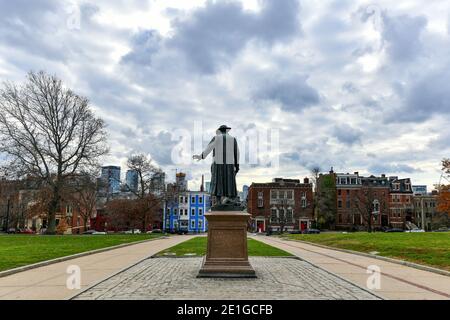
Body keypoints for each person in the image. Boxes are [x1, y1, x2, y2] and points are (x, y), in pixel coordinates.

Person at [193, 125, 240, 205]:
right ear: (226, 131)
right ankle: (229, 198)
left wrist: (201, 156)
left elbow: (209, 148)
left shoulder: (216, 138)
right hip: (229, 164)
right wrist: (237, 165)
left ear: (220, 131)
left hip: (218, 163)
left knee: (218, 181)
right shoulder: (233, 139)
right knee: (229, 181)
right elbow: (237, 153)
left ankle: (218, 201)